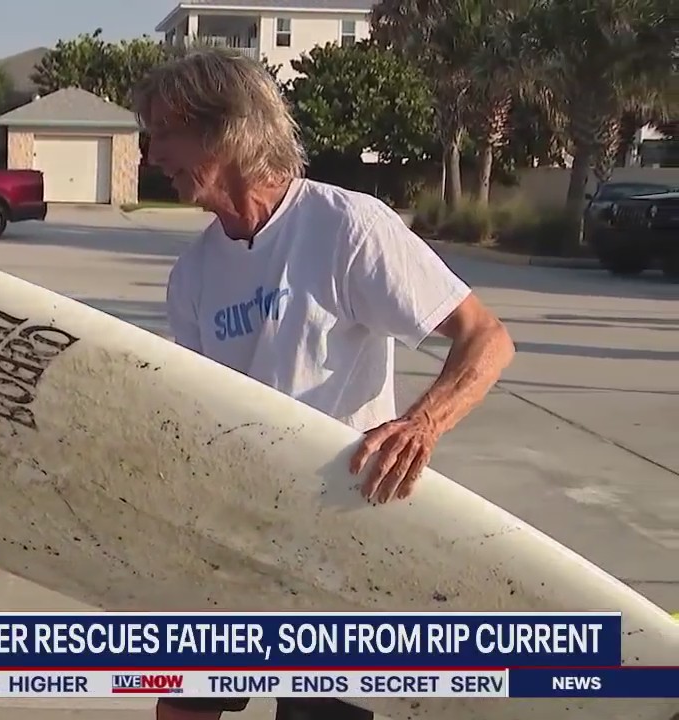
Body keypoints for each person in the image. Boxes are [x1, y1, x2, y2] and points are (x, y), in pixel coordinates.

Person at [131, 49, 515, 720]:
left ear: (231, 130)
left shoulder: (345, 228)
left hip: (335, 525)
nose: (152, 149)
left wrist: (420, 425)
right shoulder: (191, 275)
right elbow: (197, 407)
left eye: (167, 129)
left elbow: (486, 337)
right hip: (235, 523)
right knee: (185, 706)